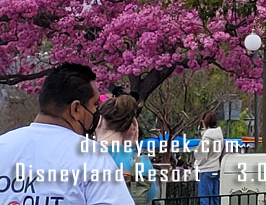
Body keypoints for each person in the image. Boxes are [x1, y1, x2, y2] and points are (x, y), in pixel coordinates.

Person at [0, 62, 135, 205]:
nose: (97, 112)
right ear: (76, 109)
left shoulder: (3, 145)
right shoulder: (91, 156)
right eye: (95, 105)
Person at [96, 94, 159, 205]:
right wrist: (131, 148)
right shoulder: (140, 162)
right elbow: (149, 196)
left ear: (99, 120)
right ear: (132, 127)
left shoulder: (86, 156)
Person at [193, 112, 224, 205]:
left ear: (204, 122)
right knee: (215, 198)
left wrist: (197, 161)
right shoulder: (220, 135)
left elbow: (201, 153)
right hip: (216, 167)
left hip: (206, 169)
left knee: (205, 198)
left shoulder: (207, 137)